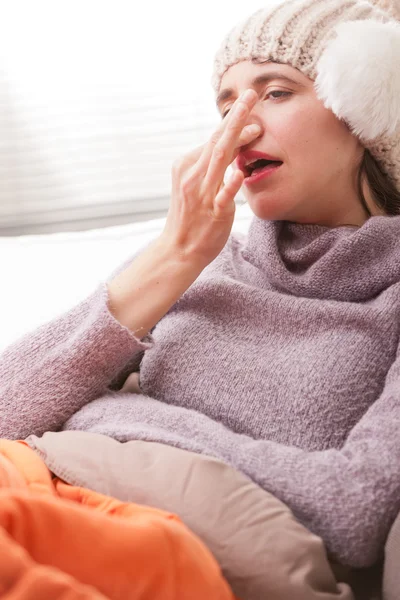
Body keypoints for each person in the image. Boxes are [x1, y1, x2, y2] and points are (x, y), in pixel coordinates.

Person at [1, 0, 400, 578]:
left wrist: (104, 415)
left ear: (369, 110)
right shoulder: (190, 261)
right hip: (32, 492)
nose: (240, 125)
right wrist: (174, 254)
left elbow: (352, 511)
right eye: (226, 103)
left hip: (132, 552)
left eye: (276, 92)